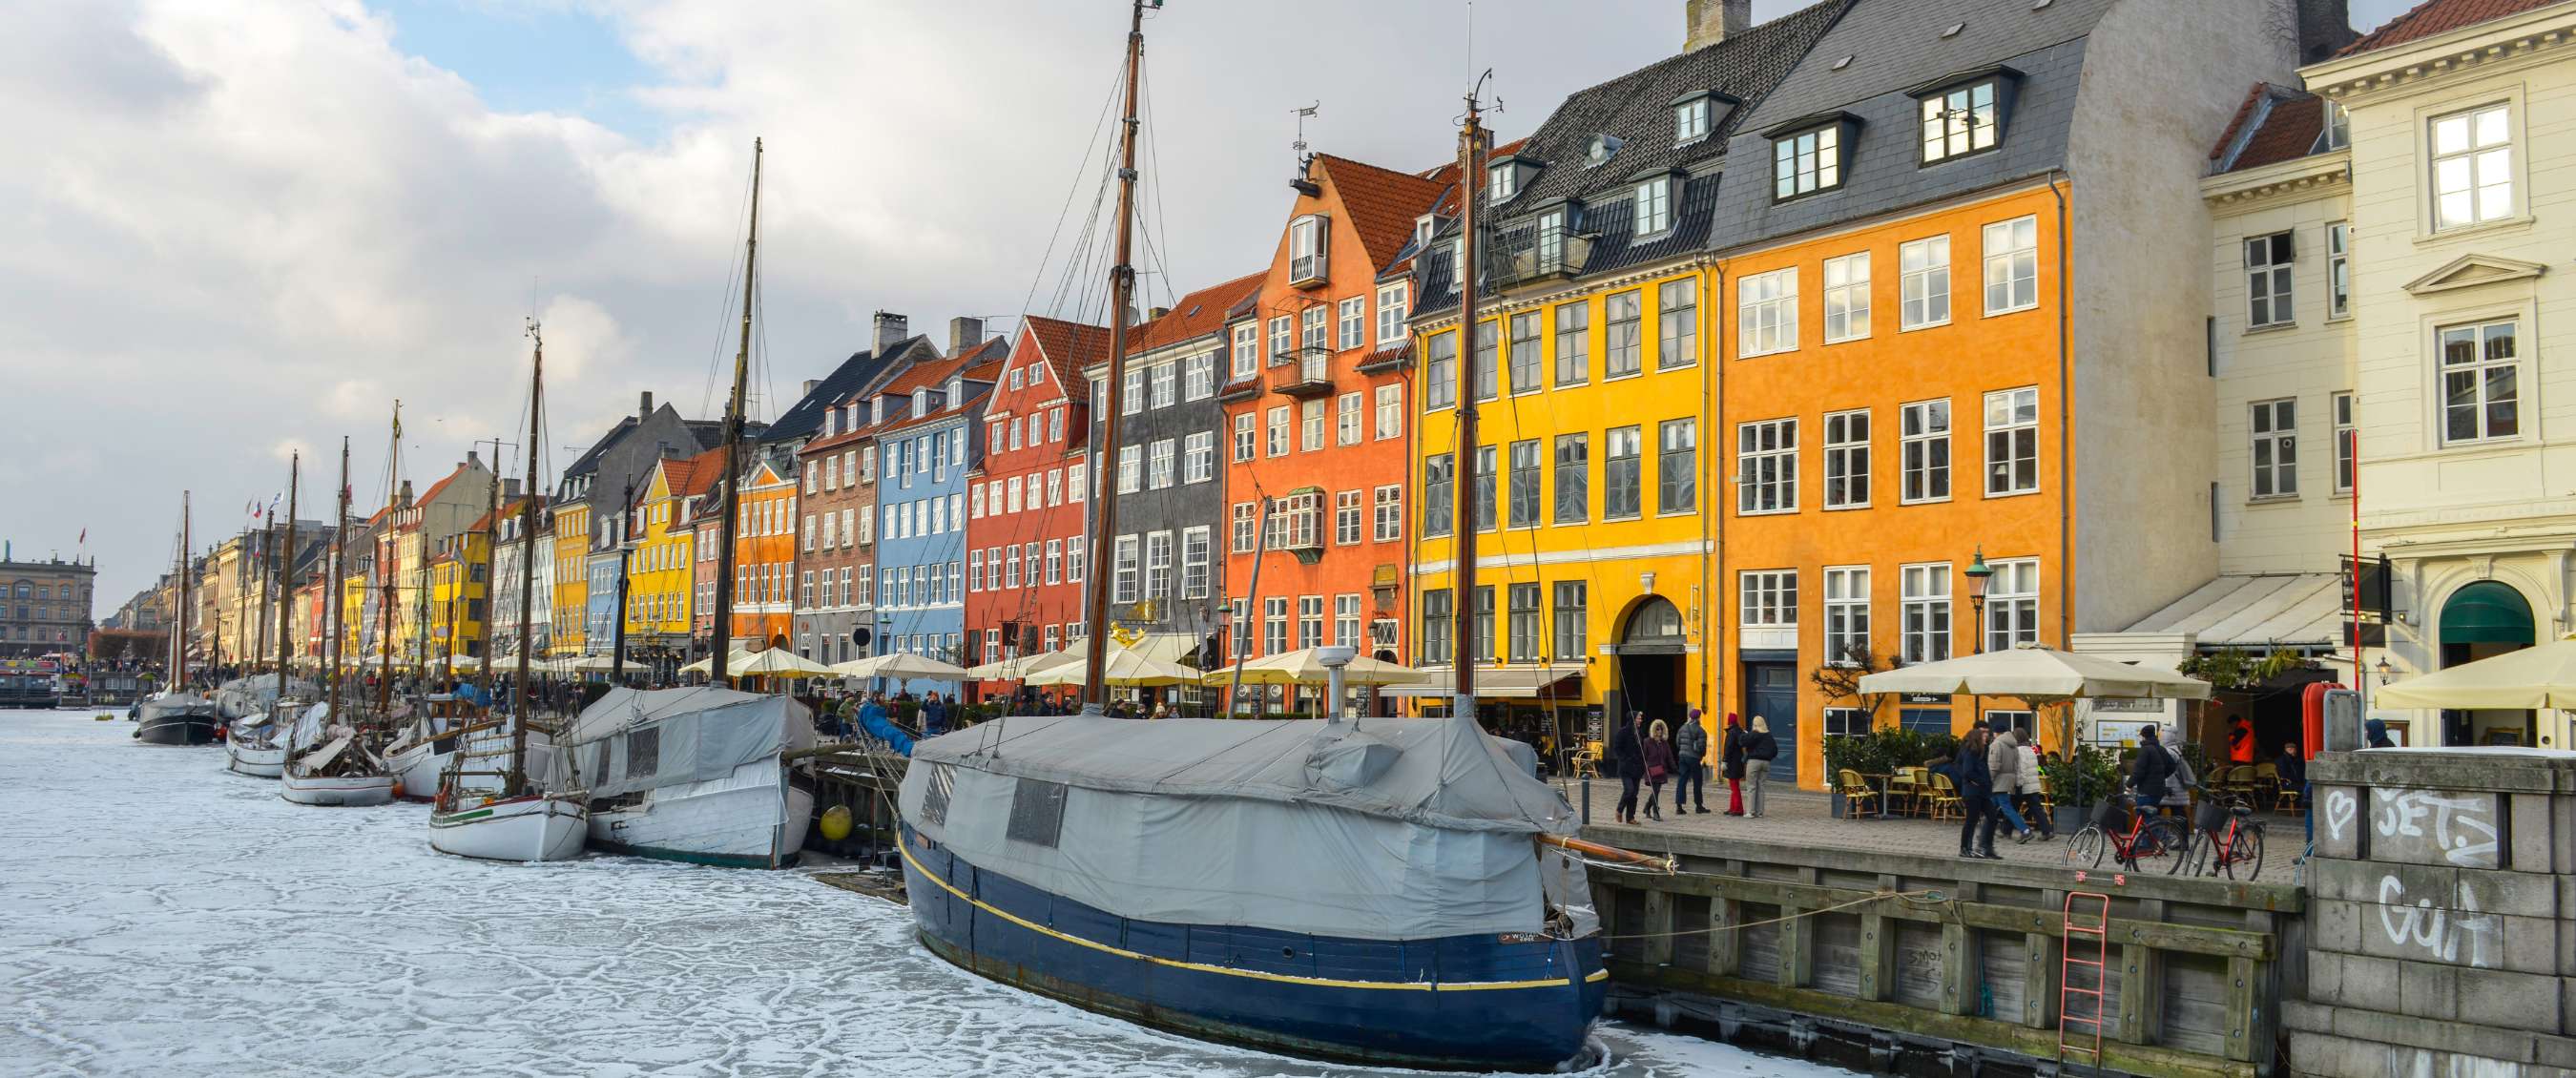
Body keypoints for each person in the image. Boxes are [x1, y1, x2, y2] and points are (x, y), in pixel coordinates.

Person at [1984, 715, 2036, 843]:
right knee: (1991, 806)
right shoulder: (2013, 745)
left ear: (1996, 733)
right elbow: (2016, 763)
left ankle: (2025, 830)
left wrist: (1988, 779)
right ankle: (1986, 832)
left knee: (2006, 807)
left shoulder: (1996, 744)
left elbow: (1994, 765)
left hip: (1998, 780)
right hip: (2010, 779)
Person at [1951, 725, 2000, 859]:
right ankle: (1964, 848)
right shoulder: (1970, 753)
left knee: (1993, 818)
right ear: (1977, 739)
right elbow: (1967, 772)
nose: (1986, 738)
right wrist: (1979, 781)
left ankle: (1987, 848)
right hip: (1972, 792)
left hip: (1983, 793)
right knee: (1971, 821)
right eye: (1983, 736)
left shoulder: (1981, 753)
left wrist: (1987, 784)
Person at [2012, 732, 2053, 840]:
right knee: (2037, 809)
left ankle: (2006, 830)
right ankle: (2047, 831)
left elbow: (2021, 769)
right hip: (2033, 784)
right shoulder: (2031, 750)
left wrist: (2018, 783)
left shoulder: (2019, 751)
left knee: (2012, 808)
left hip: (2024, 785)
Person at [2129, 723, 2175, 817]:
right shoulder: (2161, 749)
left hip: (2146, 791)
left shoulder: (2145, 750)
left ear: (2144, 736)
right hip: (2158, 790)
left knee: (2144, 818)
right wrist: (2160, 775)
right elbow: (2172, 766)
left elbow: (2138, 771)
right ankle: (2156, 830)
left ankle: (2157, 831)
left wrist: (2129, 784)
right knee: (2151, 817)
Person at [1610, 712, 1646, 825]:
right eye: (1639, 718)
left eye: (1641, 718)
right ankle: (1619, 810)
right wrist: (1624, 758)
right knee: (1629, 790)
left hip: (1637, 768)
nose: (1640, 720)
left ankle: (1630, 817)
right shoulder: (1623, 732)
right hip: (1626, 768)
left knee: (1634, 794)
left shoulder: (1640, 733)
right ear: (1633, 719)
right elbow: (1616, 747)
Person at [1674, 709, 1710, 814]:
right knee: (1697, 782)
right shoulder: (1700, 730)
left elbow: (1677, 742)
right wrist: (1701, 755)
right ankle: (1699, 806)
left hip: (1682, 756)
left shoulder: (1682, 728)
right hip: (1694, 758)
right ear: (1698, 717)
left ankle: (1679, 806)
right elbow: (1702, 747)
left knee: (1682, 780)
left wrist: (1683, 751)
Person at [1741, 716, 1777, 818]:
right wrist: (1768, 757)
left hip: (1754, 762)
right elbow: (1775, 750)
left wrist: (1745, 734)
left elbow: (1743, 742)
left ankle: (1750, 812)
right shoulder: (1769, 735)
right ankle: (1759, 812)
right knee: (1761, 787)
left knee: (1751, 787)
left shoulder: (1754, 733)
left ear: (1755, 724)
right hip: (1766, 763)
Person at [1643, 718, 1676, 822]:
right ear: (1653, 730)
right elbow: (1644, 756)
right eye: (1657, 729)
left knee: (1656, 791)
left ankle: (1647, 807)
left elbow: (1669, 756)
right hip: (1651, 769)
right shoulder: (1647, 741)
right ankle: (1656, 813)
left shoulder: (1664, 743)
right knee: (1655, 791)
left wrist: (1675, 768)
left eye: (1661, 729)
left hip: (1661, 770)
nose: (1659, 731)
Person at [1720, 713, 1749, 817]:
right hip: (1738, 762)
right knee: (1734, 786)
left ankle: (1738, 809)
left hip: (1732, 763)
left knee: (1734, 787)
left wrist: (1725, 761)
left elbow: (1728, 748)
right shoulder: (1739, 731)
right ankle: (1733, 808)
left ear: (1729, 722)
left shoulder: (1732, 732)